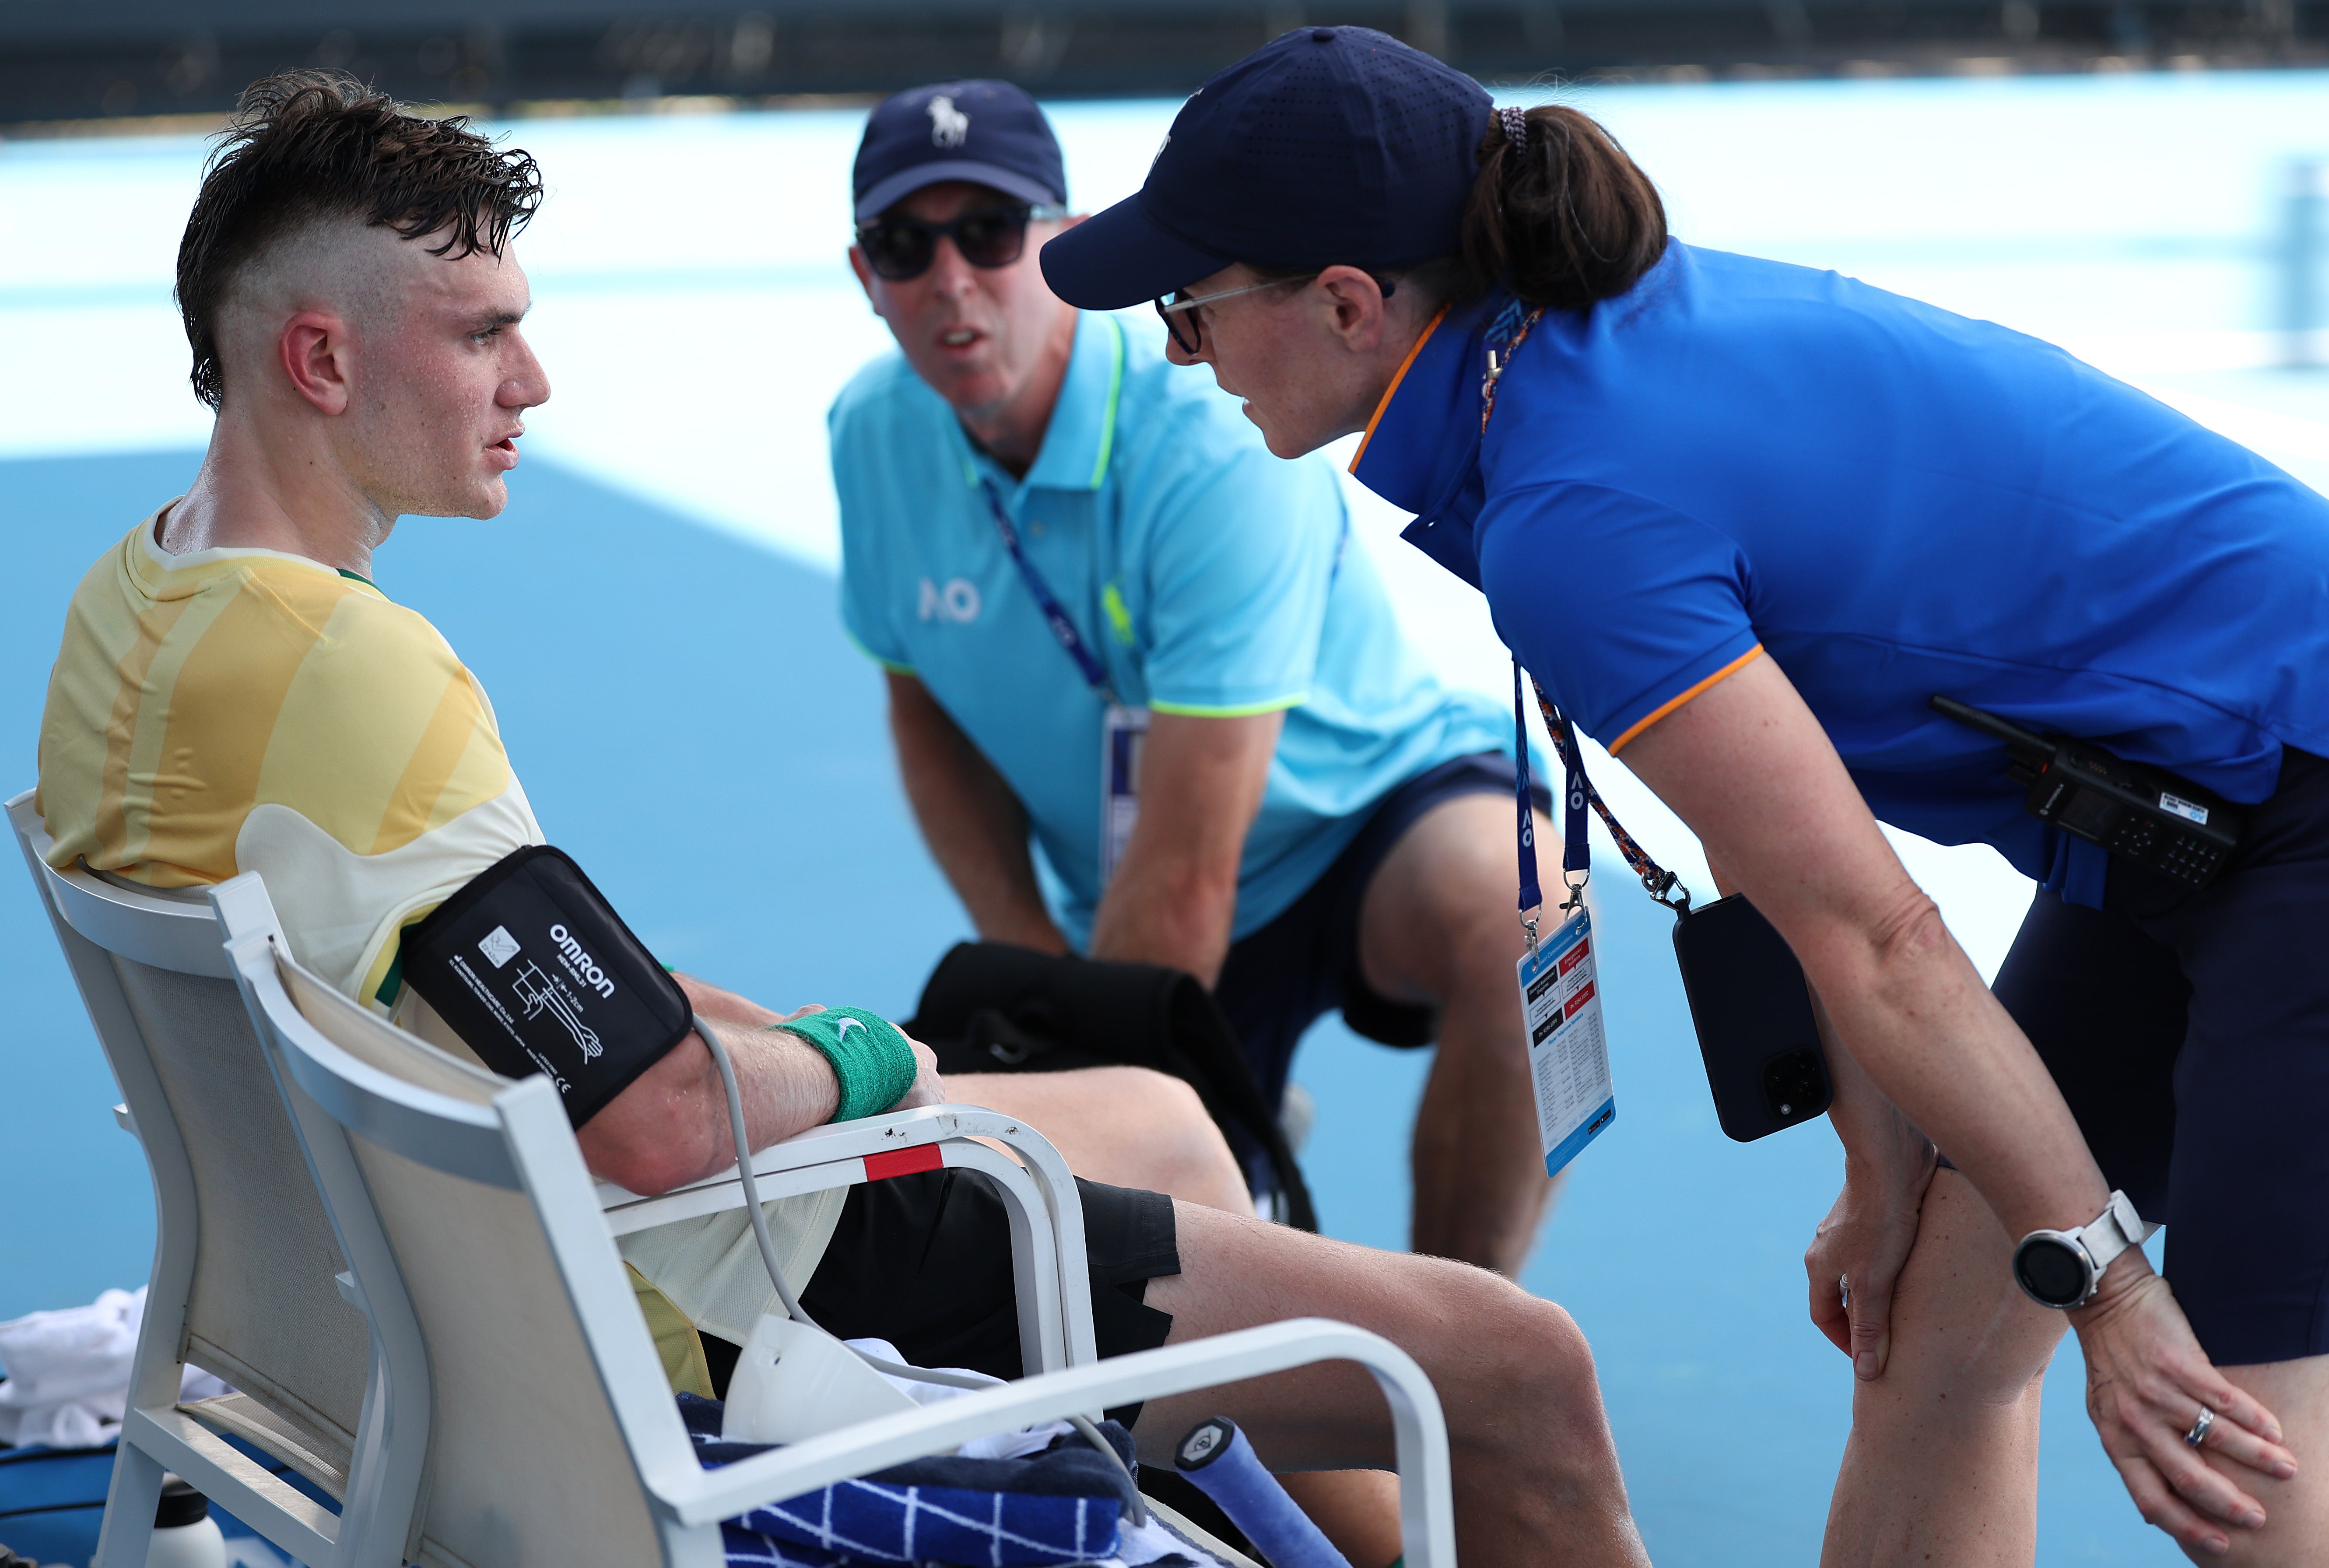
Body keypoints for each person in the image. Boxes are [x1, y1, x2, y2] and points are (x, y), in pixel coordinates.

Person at [32, 71, 1652, 1568]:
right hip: (733, 1298)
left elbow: (525, 995)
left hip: (441, 1278)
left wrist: (773, 1043)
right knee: (1521, 1371)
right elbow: (663, 1120)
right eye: (482, 334)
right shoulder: (355, 672)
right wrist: (870, 1061)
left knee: (1160, 1120)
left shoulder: (135, 605)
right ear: (320, 360)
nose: (532, 378)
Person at [1038, 25, 2329, 1565]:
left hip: (2292, 813)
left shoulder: (1572, 504)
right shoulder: (1582, 350)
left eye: (1190, 314)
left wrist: (2112, 1290)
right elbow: (1798, 863)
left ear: (1346, 304)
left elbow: (1882, 938)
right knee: (1933, 1339)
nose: (1186, 357)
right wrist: (1880, 1166)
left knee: (2223, 1459)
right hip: (2196, 820)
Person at [833, 79, 1564, 1279]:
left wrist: (1088, 1066)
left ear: (1059, 246)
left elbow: (1189, 867)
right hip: (1141, 875)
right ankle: (1239, 1128)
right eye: (907, 246)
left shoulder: (1208, 434)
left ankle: (1458, 1341)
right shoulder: (870, 431)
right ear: (865, 274)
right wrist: (1033, 970)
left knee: (1524, 917)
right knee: (1118, 1208)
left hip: (1358, 817)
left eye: (989, 234)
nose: (951, 281)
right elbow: (924, 714)